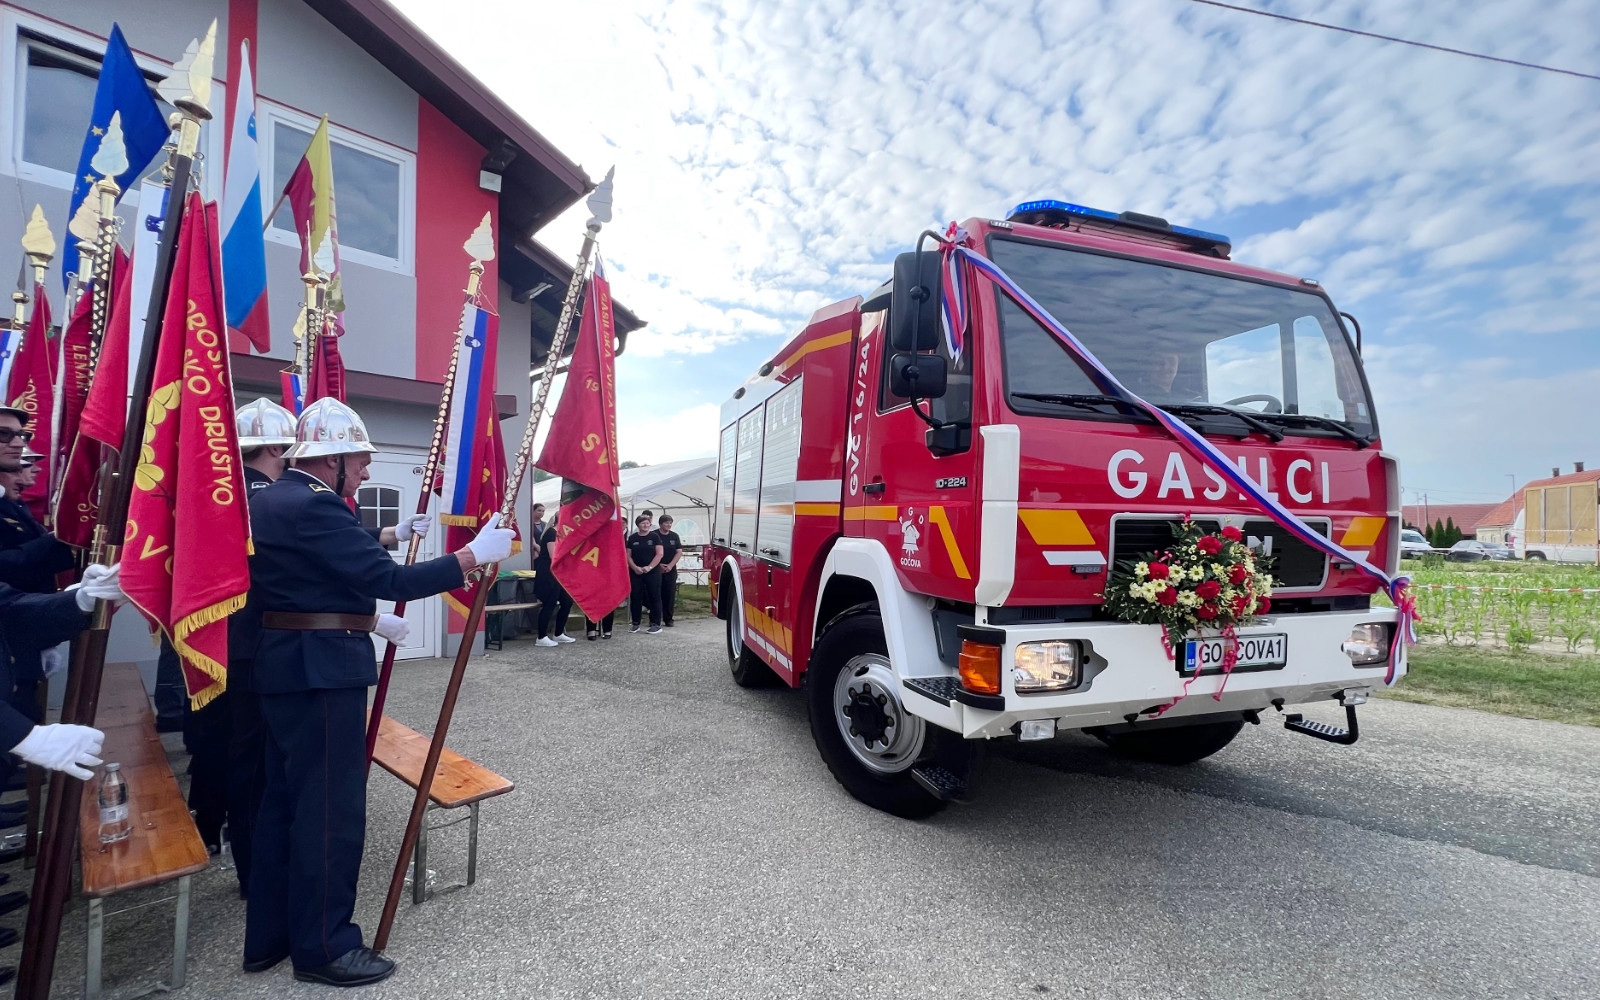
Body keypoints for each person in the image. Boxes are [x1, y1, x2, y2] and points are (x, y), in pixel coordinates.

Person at [241, 398, 510, 987]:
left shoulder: (272, 499)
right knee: (330, 812)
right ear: (331, 461)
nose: (365, 473)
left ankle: (270, 936)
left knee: (283, 806)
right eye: (360, 463)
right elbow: (391, 580)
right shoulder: (315, 506)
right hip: (321, 674)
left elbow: (321, 577)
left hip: (290, 666)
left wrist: (364, 616)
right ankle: (325, 948)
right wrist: (470, 557)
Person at [532, 514, 575, 647]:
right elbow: (553, 555)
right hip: (548, 573)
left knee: (567, 602)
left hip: (560, 574)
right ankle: (541, 636)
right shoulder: (551, 533)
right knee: (549, 603)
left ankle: (559, 633)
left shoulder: (562, 534)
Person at [627, 512, 663, 634]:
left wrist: (650, 567)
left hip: (652, 572)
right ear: (638, 525)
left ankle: (655, 623)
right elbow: (628, 555)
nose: (646, 525)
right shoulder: (632, 538)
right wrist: (635, 567)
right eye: (643, 523)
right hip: (636, 572)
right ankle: (635, 622)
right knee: (636, 596)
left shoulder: (654, 537)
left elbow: (659, 554)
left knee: (654, 596)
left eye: (647, 523)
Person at [656, 515, 684, 628]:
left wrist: (670, 566)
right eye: (666, 523)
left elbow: (679, 552)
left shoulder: (674, 536)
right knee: (655, 594)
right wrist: (658, 565)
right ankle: (655, 618)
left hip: (670, 569)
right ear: (661, 524)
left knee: (669, 594)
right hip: (656, 569)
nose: (668, 525)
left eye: (670, 523)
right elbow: (649, 552)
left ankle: (668, 618)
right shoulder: (654, 535)